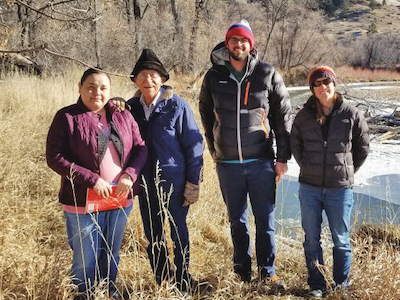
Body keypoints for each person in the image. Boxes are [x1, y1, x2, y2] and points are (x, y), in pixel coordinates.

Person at [199, 20, 292, 290]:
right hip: (227, 163)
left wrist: (282, 157)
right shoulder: (213, 76)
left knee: (265, 220)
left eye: (244, 40)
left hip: (261, 160)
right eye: (233, 40)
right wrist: (214, 149)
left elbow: (282, 116)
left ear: (251, 45)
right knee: (237, 220)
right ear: (226, 44)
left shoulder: (266, 73)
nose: (239, 45)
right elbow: (205, 114)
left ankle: (268, 272)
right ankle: (241, 271)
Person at [46, 68, 148, 300]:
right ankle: (83, 294)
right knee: (85, 257)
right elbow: (55, 157)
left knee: (111, 252)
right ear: (79, 87)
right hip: (82, 200)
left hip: (119, 197)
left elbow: (141, 147)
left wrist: (129, 175)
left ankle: (107, 291)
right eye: (90, 87)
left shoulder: (123, 115)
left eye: (103, 88)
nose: (96, 93)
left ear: (110, 91)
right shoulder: (67, 117)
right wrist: (91, 180)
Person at [125, 49, 204, 292]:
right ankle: (163, 279)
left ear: (162, 79)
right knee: (153, 235)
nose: (147, 79)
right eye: (142, 75)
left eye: (153, 75)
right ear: (135, 80)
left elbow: (194, 144)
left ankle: (183, 279)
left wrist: (193, 181)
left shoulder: (177, 105)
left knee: (178, 232)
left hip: (174, 182)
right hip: (145, 184)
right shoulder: (130, 108)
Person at [290, 66, 369, 298]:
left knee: (341, 240)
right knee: (311, 239)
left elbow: (362, 147)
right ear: (312, 89)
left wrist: (345, 169)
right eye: (317, 83)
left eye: (327, 82)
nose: (323, 87)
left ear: (334, 84)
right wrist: (309, 167)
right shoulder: (303, 116)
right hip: (310, 187)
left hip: (339, 189)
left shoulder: (351, 113)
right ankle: (317, 284)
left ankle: (340, 285)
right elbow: (296, 146)